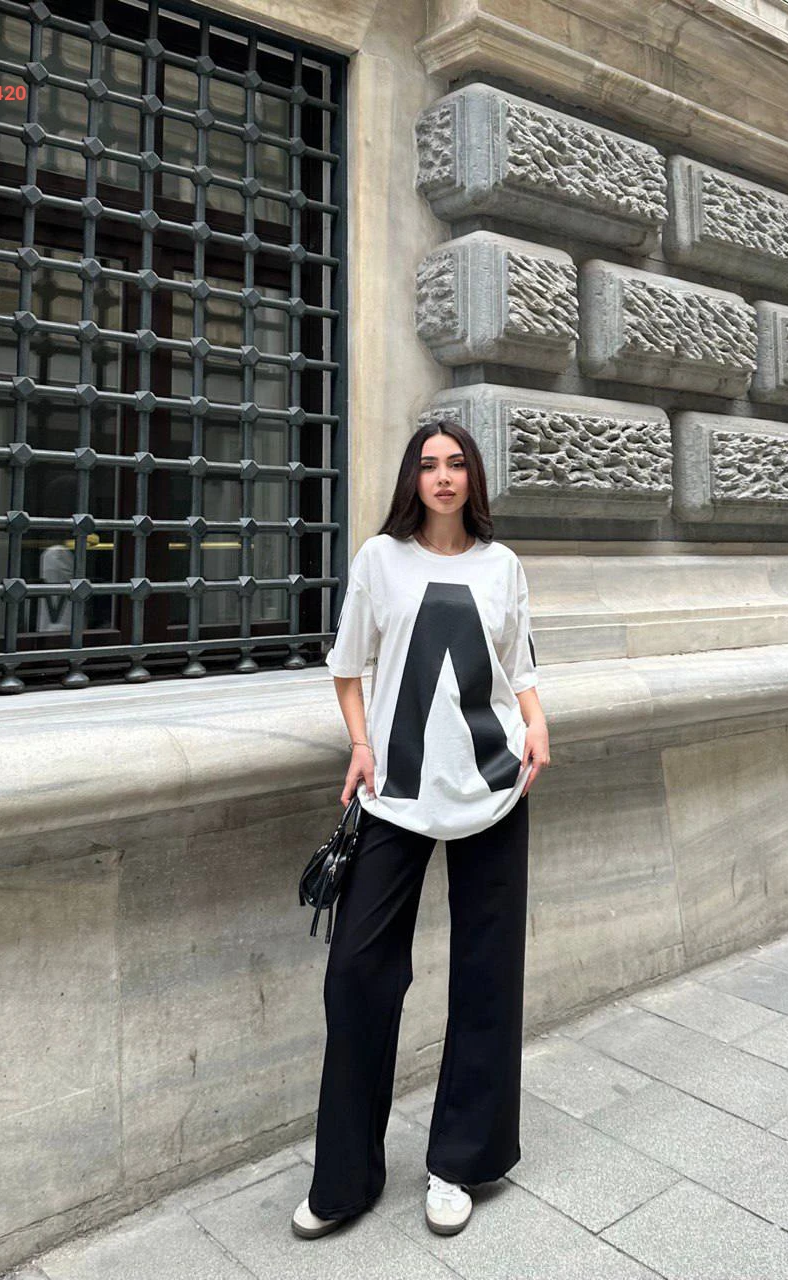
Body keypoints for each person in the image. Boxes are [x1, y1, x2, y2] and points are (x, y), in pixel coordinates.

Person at [291, 420, 551, 1240]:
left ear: (473, 478)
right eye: (429, 464)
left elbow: (518, 669)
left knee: (487, 974)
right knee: (357, 973)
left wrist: (538, 723)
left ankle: (460, 1163)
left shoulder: (502, 565)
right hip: (394, 793)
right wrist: (361, 745)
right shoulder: (380, 560)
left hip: (492, 785)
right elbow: (347, 667)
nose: (443, 476)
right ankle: (345, 1179)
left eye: (457, 464)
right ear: (413, 478)